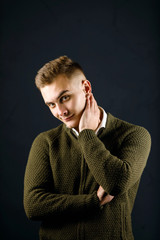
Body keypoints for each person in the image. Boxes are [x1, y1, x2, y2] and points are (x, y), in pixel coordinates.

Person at [23, 56, 151, 240]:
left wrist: (86, 135)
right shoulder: (46, 142)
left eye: (64, 97)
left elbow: (116, 183)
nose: (60, 112)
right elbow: (33, 206)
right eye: (51, 104)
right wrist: (92, 202)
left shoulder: (133, 135)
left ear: (86, 88)